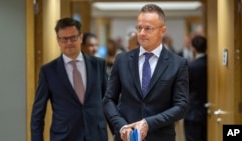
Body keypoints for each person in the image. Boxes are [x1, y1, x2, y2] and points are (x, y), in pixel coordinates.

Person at [103, 4, 189, 141]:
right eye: (139, 28)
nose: (142, 33)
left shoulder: (177, 64)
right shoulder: (122, 60)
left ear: (162, 30)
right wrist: (121, 126)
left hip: (160, 136)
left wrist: (148, 123)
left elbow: (181, 106)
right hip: (126, 137)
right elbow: (108, 100)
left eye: (148, 28)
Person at [31, 17, 108, 141]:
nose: (69, 43)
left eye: (73, 38)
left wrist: (119, 132)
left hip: (96, 135)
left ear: (81, 37)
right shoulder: (48, 71)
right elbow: (38, 113)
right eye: (64, 39)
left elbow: (108, 102)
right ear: (58, 40)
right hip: (64, 136)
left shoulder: (98, 65)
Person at [184, 35, 207, 141]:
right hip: (207, 111)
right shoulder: (211, 65)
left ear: (193, 48)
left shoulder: (191, 67)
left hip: (192, 111)